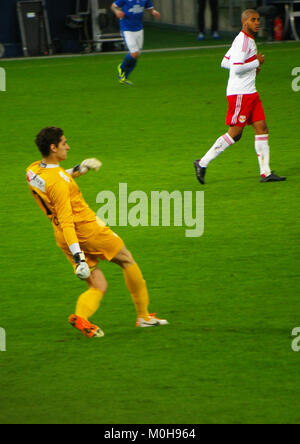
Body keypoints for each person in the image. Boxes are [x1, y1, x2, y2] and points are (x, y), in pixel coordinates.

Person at [26, 127, 168, 338]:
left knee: (98, 285)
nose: (68, 146)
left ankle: (81, 317)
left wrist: (79, 169)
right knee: (127, 259)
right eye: (64, 143)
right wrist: (79, 258)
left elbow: (57, 178)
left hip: (62, 236)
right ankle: (144, 317)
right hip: (85, 229)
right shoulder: (57, 182)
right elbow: (66, 215)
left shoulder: (33, 170)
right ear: (53, 147)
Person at [194, 9, 286, 184]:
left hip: (250, 92)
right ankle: (202, 162)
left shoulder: (244, 40)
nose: (257, 22)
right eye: (253, 20)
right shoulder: (244, 42)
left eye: (258, 19)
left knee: (262, 128)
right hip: (240, 94)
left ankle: (265, 173)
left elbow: (225, 62)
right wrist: (257, 62)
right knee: (235, 134)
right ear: (245, 23)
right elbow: (236, 67)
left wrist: (251, 67)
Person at [111, 0, 161, 85]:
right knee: (134, 53)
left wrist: (154, 12)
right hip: (127, 28)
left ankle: (124, 77)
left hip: (139, 29)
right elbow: (113, 6)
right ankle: (121, 68)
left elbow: (149, 8)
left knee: (136, 55)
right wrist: (117, 11)